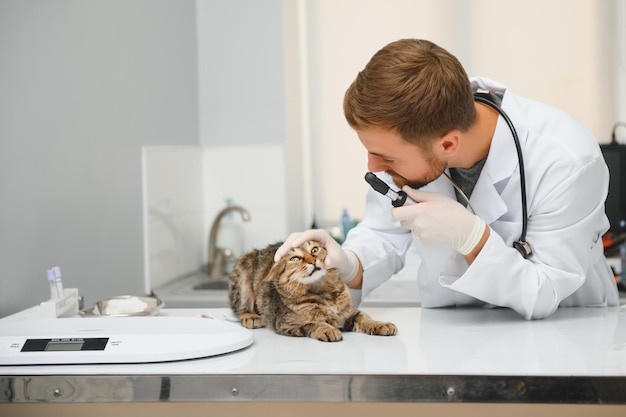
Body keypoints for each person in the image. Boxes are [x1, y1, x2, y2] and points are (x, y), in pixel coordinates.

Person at [274, 38, 619, 320]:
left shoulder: (566, 159)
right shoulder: (415, 130)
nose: (374, 167)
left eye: (387, 157)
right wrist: (348, 264)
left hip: (566, 334)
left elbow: (544, 291)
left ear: (448, 143)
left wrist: (472, 239)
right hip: (452, 336)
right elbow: (382, 233)